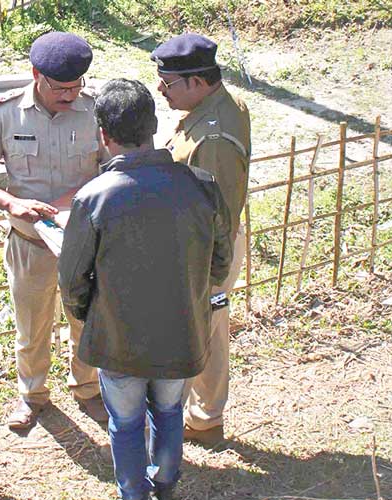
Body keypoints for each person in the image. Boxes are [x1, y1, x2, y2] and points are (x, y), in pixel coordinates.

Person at [58, 79, 232, 500]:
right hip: (182, 330)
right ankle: (166, 482)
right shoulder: (202, 185)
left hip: (119, 337)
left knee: (125, 420)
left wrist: (88, 312)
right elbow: (220, 261)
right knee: (170, 411)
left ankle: (133, 491)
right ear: (154, 125)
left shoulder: (93, 198)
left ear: (103, 134)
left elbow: (72, 280)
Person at [0, 31, 107, 430]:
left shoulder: (94, 111)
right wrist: (11, 203)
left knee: (86, 321)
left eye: (76, 86)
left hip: (82, 241)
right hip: (29, 244)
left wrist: (80, 195)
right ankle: (32, 395)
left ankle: (88, 388)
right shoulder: (7, 114)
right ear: (35, 75)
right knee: (31, 327)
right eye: (60, 87)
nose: (69, 95)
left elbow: (114, 166)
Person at [151, 33, 252, 447]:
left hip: (207, 252)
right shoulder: (216, 106)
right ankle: (201, 413)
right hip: (201, 247)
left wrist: (209, 273)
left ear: (197, 81)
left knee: (205, 332)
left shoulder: (212, 138)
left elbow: (216, 214)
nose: (161, 89)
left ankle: (206, 418)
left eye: (168, 82)